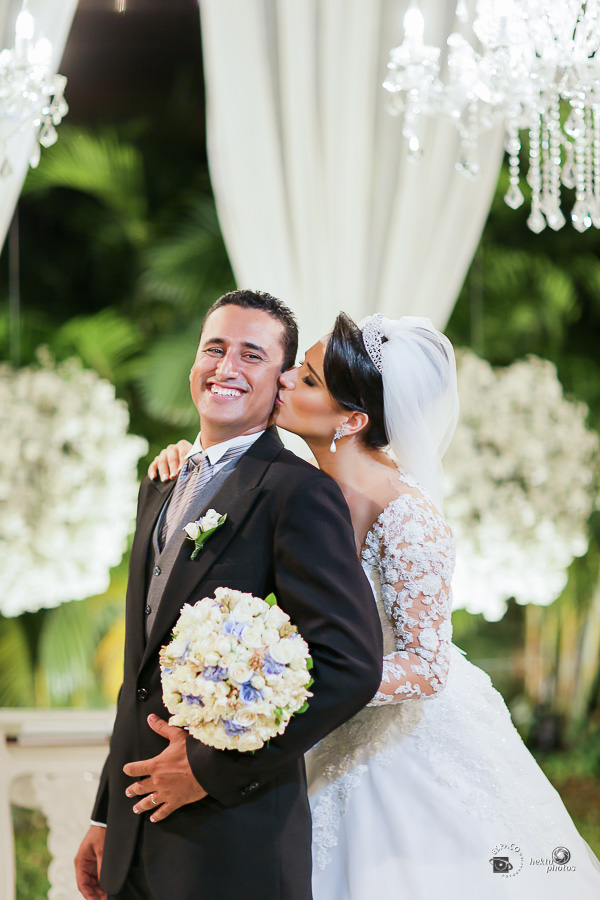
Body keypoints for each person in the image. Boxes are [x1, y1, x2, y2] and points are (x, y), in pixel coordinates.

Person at [152, 311, 600, 898]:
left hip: (405, 750)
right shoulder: (300, 489)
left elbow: (427, 666)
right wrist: (189, 463)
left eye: (307, 379)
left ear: (352, 419)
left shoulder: (406, 517)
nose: (283, 379)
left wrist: (290, 682)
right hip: (323, 733)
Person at [74, 290, 383, 900]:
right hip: (135, 838)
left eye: (251, 355)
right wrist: (106, 815)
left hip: (232, 840)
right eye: (214, 348)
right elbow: (140, 672)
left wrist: (210, 771)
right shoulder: (161, 483)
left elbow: (351, 665)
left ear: (282, 381)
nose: (226, 367)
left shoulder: (298, 493)